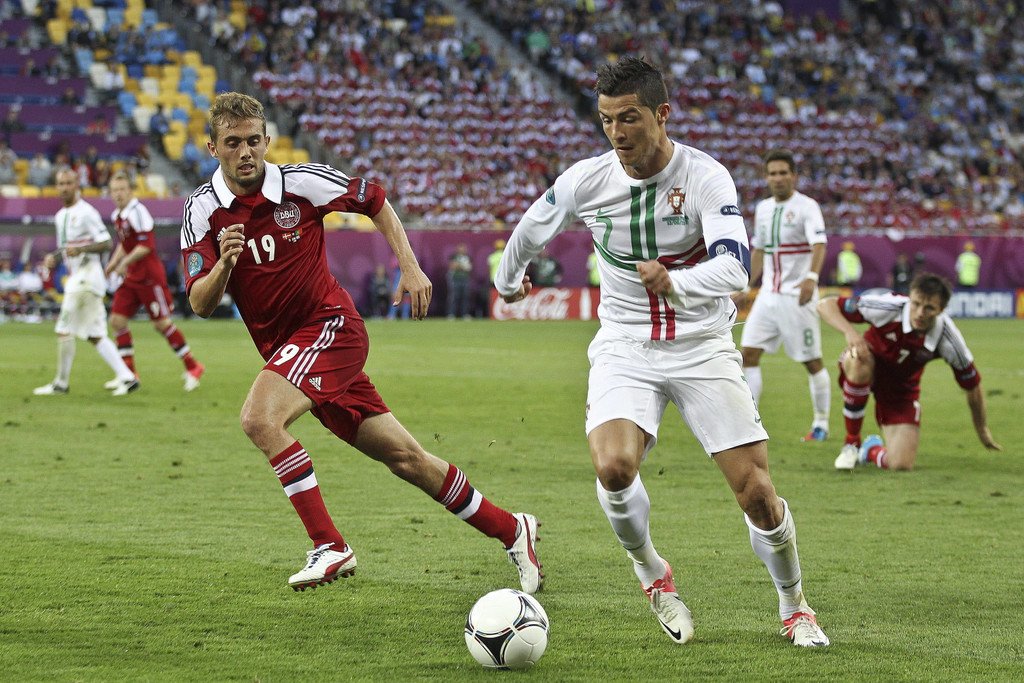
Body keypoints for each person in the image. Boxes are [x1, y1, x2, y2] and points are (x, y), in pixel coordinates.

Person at [495, 58, 828, 647]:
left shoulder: (706, 177)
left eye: (629, 118)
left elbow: (734, 267)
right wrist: (507, 280)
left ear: (662, 114)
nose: (616, 133)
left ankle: (794, 604)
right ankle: (653, 573)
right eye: (606, 120)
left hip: (702, 344)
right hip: (625, 343)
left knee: (757, 494)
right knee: (613, 468)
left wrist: (677, 282)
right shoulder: (586, 181)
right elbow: (530, 227)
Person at [180, 92, 541, 593]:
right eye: (233, 143)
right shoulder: (202, 209)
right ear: (213, 148)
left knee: (259, 419)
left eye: (254, 141)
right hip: (293, 356)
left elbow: (376, 201)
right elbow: (199, 303)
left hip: (330, 329)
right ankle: (512, 529)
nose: (246, 152)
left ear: (267, 140)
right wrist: (224, 264)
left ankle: (329, 545)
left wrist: (409, 266)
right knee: (407, 459)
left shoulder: (302, 183)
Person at [820, 273, 1001, 471]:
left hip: (900, 388)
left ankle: (870, 450)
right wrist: (850, 333)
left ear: (941, 310)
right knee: (858, 360)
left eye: (929, 308)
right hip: (868, 364)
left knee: (901, 464)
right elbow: (825, 304)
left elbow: (972, 386)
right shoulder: (888, 307)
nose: (920, 312)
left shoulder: (948, 339)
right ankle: (852, 443)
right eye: (916, 304)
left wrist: (982, 429)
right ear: (910, 297)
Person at [736, 149, 830, 442]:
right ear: (766, 177)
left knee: (811, 361)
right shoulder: (763, 208)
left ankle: (821, 423)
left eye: (783, 173)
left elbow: (819, 244)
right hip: (768, 295)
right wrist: (745, 285)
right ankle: (749, 423)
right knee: (748, 354)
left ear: (794, 176)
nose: (777, 178)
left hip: (796, 296)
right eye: (772, 174)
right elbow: (760, 251)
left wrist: (811, 278)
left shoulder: (807, 207)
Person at [33, 169, 139, 396]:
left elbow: (106, 242)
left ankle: (61, 384)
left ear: (77, 185)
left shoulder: (87, 212)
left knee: (64, 328)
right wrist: (54, 257)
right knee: (95, 334)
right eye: (61, 183)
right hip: (79, 278)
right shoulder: (60, 216)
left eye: (68, 183)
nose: (64, 188)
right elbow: (66, 248)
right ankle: (127, 377)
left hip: (86, 278)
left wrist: (81, 249)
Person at [104, 172, 206, 391]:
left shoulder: (138, 212)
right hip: (132, 277)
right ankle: (128, 374)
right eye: (115, 190)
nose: (118, 194)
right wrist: (112, 264)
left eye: (122, 189)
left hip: (149, 278)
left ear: (130, 191)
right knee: (117, 321)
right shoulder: (117, 215)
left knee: (161, 324)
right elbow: (125, 243)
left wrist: (123, 264)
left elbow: (146, 246)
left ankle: (193, 366)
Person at [445, 242, 473, 319]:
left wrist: (458, 265)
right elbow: (452, 266)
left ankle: (465, 314)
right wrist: (463, 266)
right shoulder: (453, 256)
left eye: (463, 248)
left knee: (465, 297)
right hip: (455, 279)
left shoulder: (468, 257)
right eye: (460, 248)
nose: (462, 250)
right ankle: (451, 314)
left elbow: (469, 268)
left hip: (465, 279)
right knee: (454, 297)